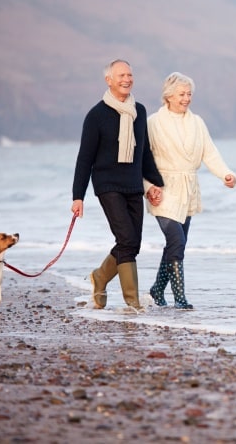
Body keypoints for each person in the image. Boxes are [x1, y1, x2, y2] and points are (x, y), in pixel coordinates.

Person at [71, 59, 164, 312]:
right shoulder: (96, 115)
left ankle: (100, 277)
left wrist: (156, 184)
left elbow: (144, 153)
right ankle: (132, 302)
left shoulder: (140, 111)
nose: (127, 79)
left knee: (132, 243)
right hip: (107, 185)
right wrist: (78, 196)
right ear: (109, 80)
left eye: (130, 75)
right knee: (126, 238)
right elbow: (85, 158)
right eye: (121, 75)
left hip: (133, 185)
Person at [144, 72, 236, 310]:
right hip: (162, 189)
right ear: (169, 96)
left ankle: (156, 290)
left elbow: (209, 152)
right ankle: (180, 298)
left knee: (177, 244)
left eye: (189, 94)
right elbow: (144, 158)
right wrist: (148, 187)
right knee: (176, 239)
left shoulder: (197, 122)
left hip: (188, 189)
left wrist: (225, 174)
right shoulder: (154, 122)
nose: (186, 99)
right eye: (182, 94)